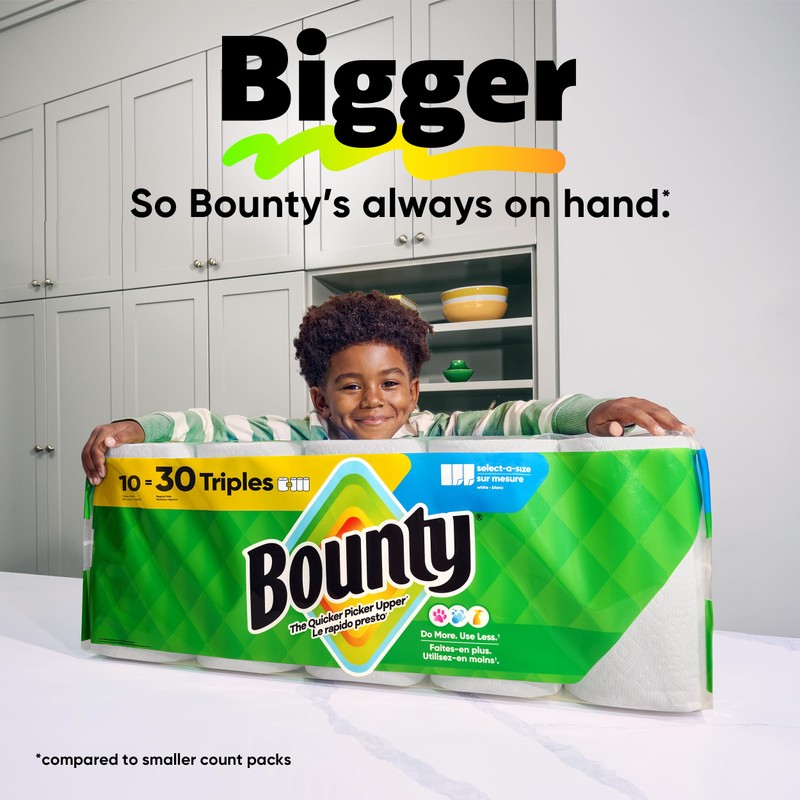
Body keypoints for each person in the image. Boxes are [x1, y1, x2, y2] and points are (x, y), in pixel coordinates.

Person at [81, 291, 690, 485]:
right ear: (321, 399)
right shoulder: (300, 438)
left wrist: (594, 412)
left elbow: (519, 417)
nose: (374, 400)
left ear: (414, 391)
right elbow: (211, 427)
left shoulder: (439, 433)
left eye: (391, 383)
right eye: (350, 386)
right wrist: (135, 429)